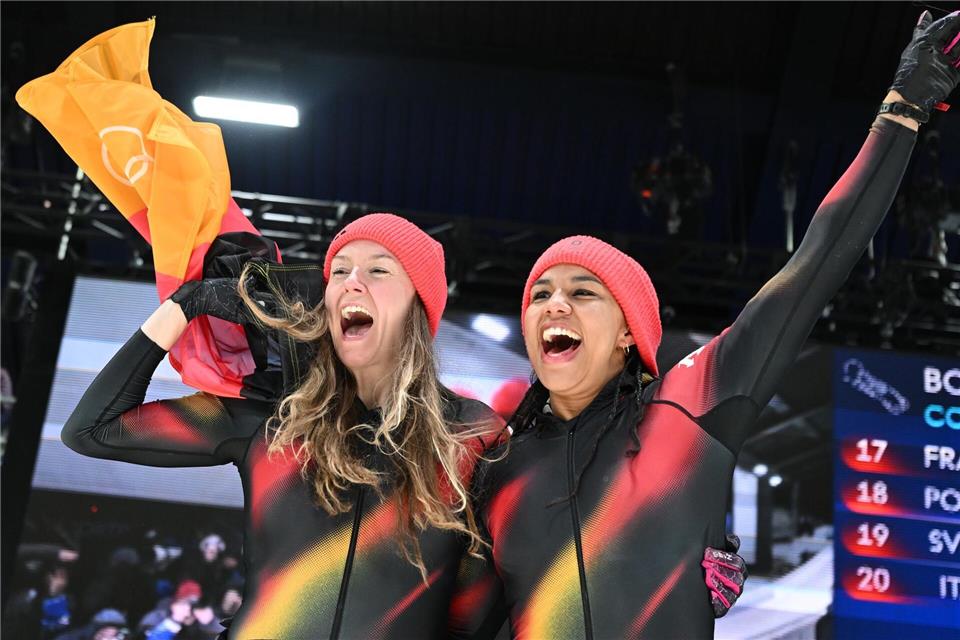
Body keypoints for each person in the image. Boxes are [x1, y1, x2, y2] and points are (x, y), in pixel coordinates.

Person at [460, 10, 960, 640]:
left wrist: (903, 109)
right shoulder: (496, 467)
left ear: (627, 333)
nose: (554, 304)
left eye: (583, 292)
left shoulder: (687, 408)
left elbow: (813, 269)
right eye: (539, 294)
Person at [62, 214, 502, 639]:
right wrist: (186, 304)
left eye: (379, 269)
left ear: (419, 304)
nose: (351, 280)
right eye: (340, 271)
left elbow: (473, 615)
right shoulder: (277, 414)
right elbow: (92, 429)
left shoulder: (469, 432)